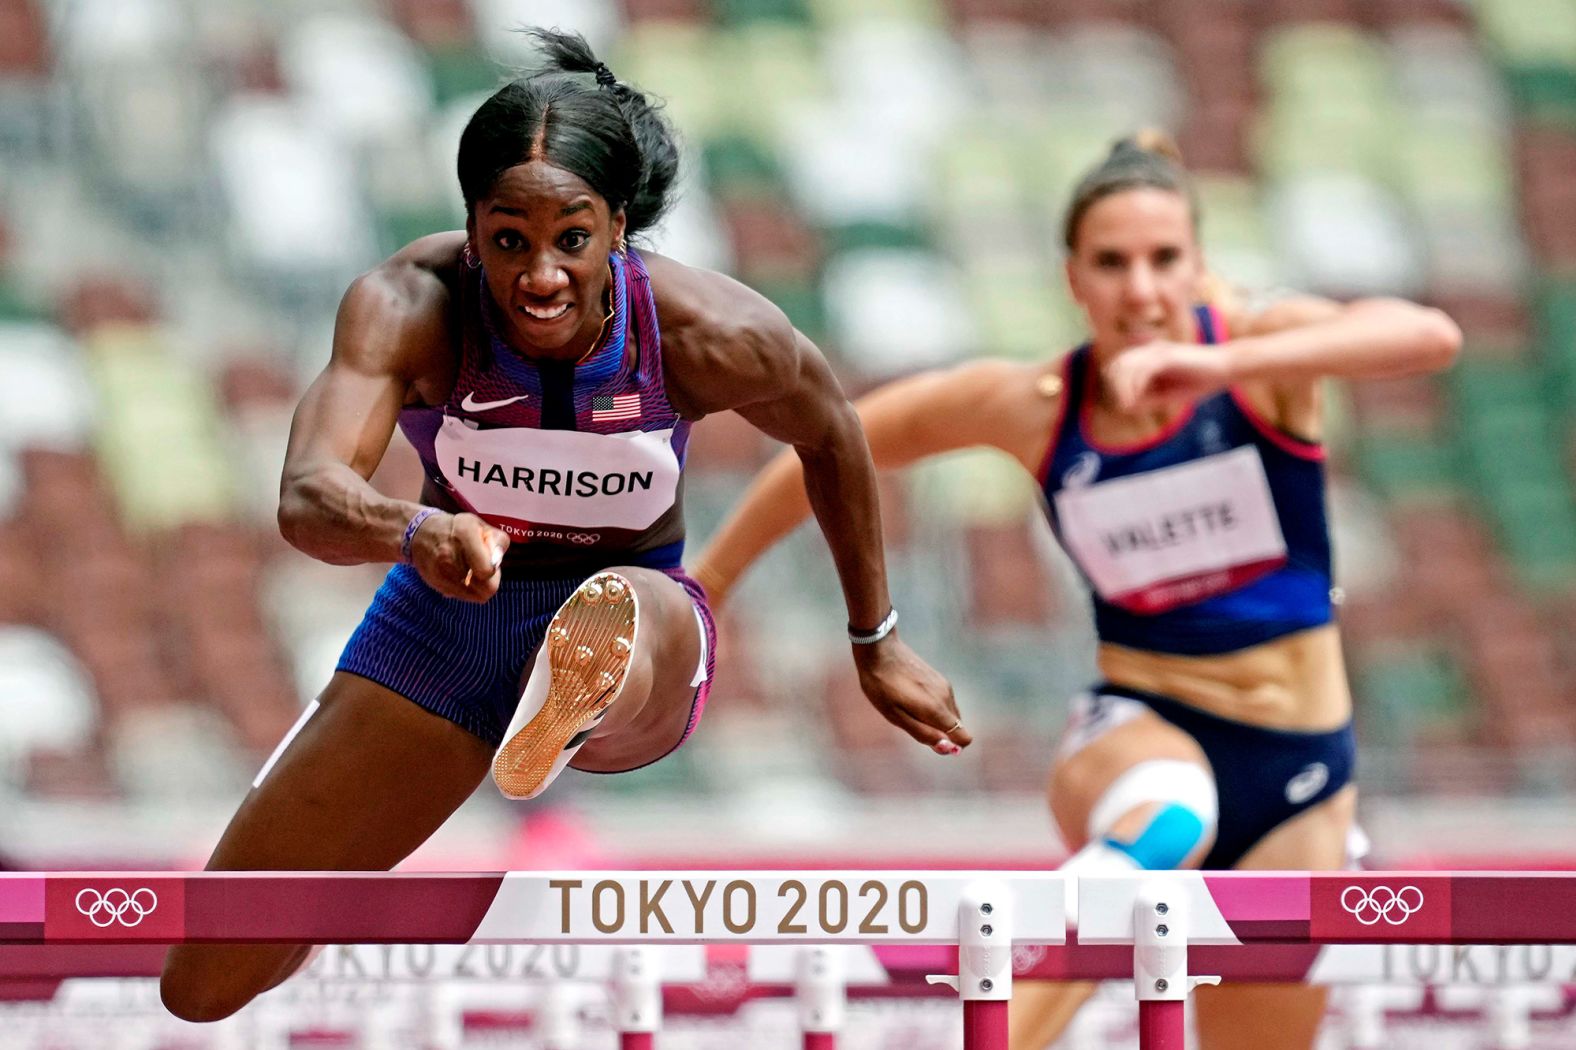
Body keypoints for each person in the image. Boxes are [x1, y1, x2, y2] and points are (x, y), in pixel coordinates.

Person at [159, 29, 965, 1023]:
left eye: (570, 241)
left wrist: (873, 641)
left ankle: (575, 690)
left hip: (643, 622)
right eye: (508, 240)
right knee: (207, 980)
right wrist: (414, 531)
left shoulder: (710, 332)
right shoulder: (410, 306)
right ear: (471, 226)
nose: (540, 275)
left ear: (618, 228)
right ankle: (505, 725)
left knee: (622, 607)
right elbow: (307, 495)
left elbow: (833, 433)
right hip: (447, 621)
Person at [692, 132, 1461, 1050]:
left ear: (1199, 266)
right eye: (1112, 263)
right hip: (1141, 730)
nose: (1140, 289)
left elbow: (1429, 336)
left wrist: (1210, 369)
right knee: (1175, 814)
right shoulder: (1041, 403)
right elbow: (836, 436)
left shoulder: (1263, 360)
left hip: (1303, 776)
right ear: (1072, 279)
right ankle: (1001, 1003)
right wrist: (712, 583)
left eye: (1164, 260)